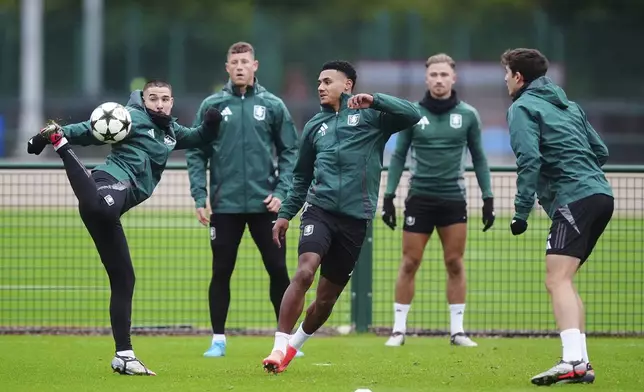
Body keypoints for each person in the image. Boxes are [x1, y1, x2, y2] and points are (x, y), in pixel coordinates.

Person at [26, 80, 223, 376]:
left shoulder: (171, 132)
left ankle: (124, 356)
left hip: (111, 209)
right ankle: (58, 143)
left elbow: (199, 138)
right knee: (99, 205)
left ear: (172, 102)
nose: (159, 103)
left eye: (165, 98)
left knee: (125, 279)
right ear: (144, 101)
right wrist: (61, 134)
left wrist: (212, 123)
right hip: (109, 185)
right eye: (153, 98)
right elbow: (90, 129)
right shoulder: (131, 117)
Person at [261, 60, 422, 373]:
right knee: (305, 272)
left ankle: (293, 348)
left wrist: (376, 100)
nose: (320, 86)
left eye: (327, 81)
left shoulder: (373, 117)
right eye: (319, 82)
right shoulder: (313, 127)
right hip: (318, 211)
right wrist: (285, 214)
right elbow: (301, 177)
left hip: (355, 220)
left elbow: (413, 114)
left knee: (325, 301)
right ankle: (278, 346)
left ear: (348, 85)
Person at [502, 48, 612, 386]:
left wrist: (521, 212)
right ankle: (582, 362)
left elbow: (529, 160)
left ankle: (572, 360)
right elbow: (602, 152)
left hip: (573, 198)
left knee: (557, 280)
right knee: (565, 278)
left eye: (506, 73)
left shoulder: (521, 107)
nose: (504, 80)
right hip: (601, 195)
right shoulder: (570, 105)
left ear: (518, 76)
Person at [185, 41, 300, 358]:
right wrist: (200, 194)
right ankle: (218, 340)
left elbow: (291, 152)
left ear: (255, 65)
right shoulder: (212, 106)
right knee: (221, 271)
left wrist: (281, 193)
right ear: (227, 67)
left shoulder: (273, 105)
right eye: (234, 61)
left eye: (244, 61)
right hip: (225, 206)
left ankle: (284, 341)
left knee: (278, 270)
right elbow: (196, 151)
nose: (239, 66)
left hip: (267, 207)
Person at [382, 53, 495, 348]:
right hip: (419, 198)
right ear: (426, 78)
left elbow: (480, 158)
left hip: (453, 199)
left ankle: (457, 332)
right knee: (409, 262)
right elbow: (398, 156)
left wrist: (488, 197)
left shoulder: (468, 115)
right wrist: (389, 196)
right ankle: (398, 330)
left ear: (453, 78)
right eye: (434, 75)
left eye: (444, 75)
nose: (439, 80)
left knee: (455, 262)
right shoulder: (412, 114)